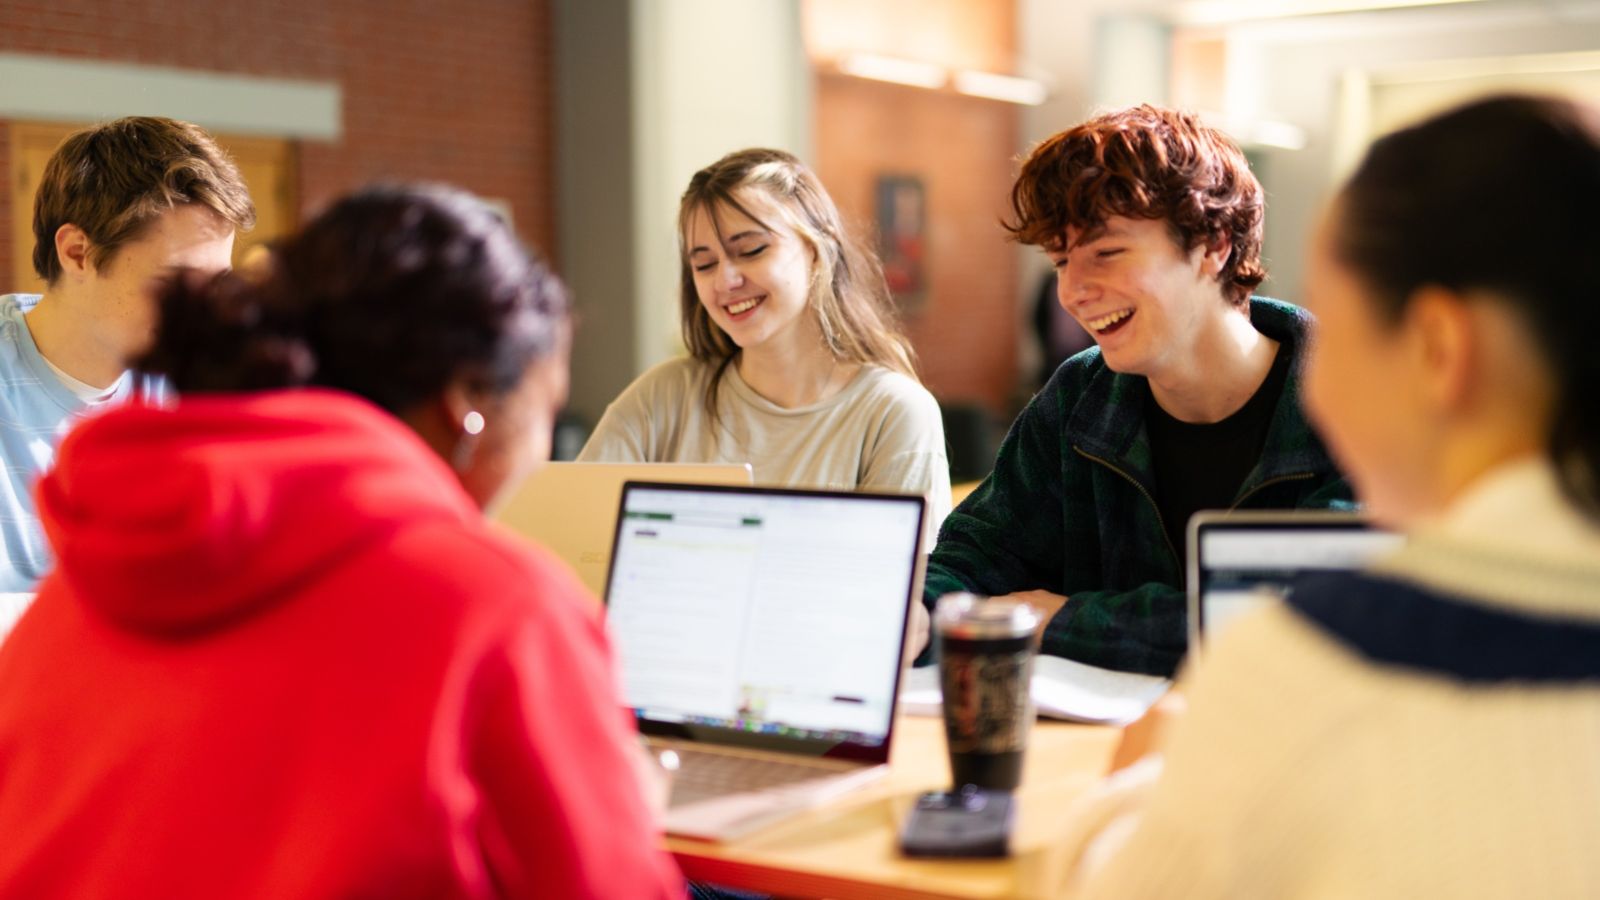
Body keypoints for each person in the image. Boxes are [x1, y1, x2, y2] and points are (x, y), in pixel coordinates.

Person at [0, 185, 684, 899]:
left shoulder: (85, 584)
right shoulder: (498, 609)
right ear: (468, 409)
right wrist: (624, 813)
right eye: (546, 407)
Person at [1056, 94, 1600, 899]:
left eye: (1338, 329)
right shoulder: (1079, 399)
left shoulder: (1306, 670)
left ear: (1436, 349)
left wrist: (1151, 776)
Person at [921, 106, 1350, 676]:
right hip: (1096, 753)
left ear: (1213, 244)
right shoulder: (1080, 395)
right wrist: (917, 615)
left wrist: (1061, 620)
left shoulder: (1348, 403)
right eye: (1061, 260)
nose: (1072, 292)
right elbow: (974, 558)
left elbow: (1308, 620)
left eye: (1107, 253)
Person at [579, 148, 951, 543]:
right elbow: (571, 539)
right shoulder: (660, 399)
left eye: (751, 250)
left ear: (815, 250)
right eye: (704, 264)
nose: (725, 280)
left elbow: (900, 596)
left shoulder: (893, 412)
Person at [0, 116, 254, 592]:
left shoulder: (192, 380)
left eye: (214, 287)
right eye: (172, 285)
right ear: (77, 253)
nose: (197, 316)